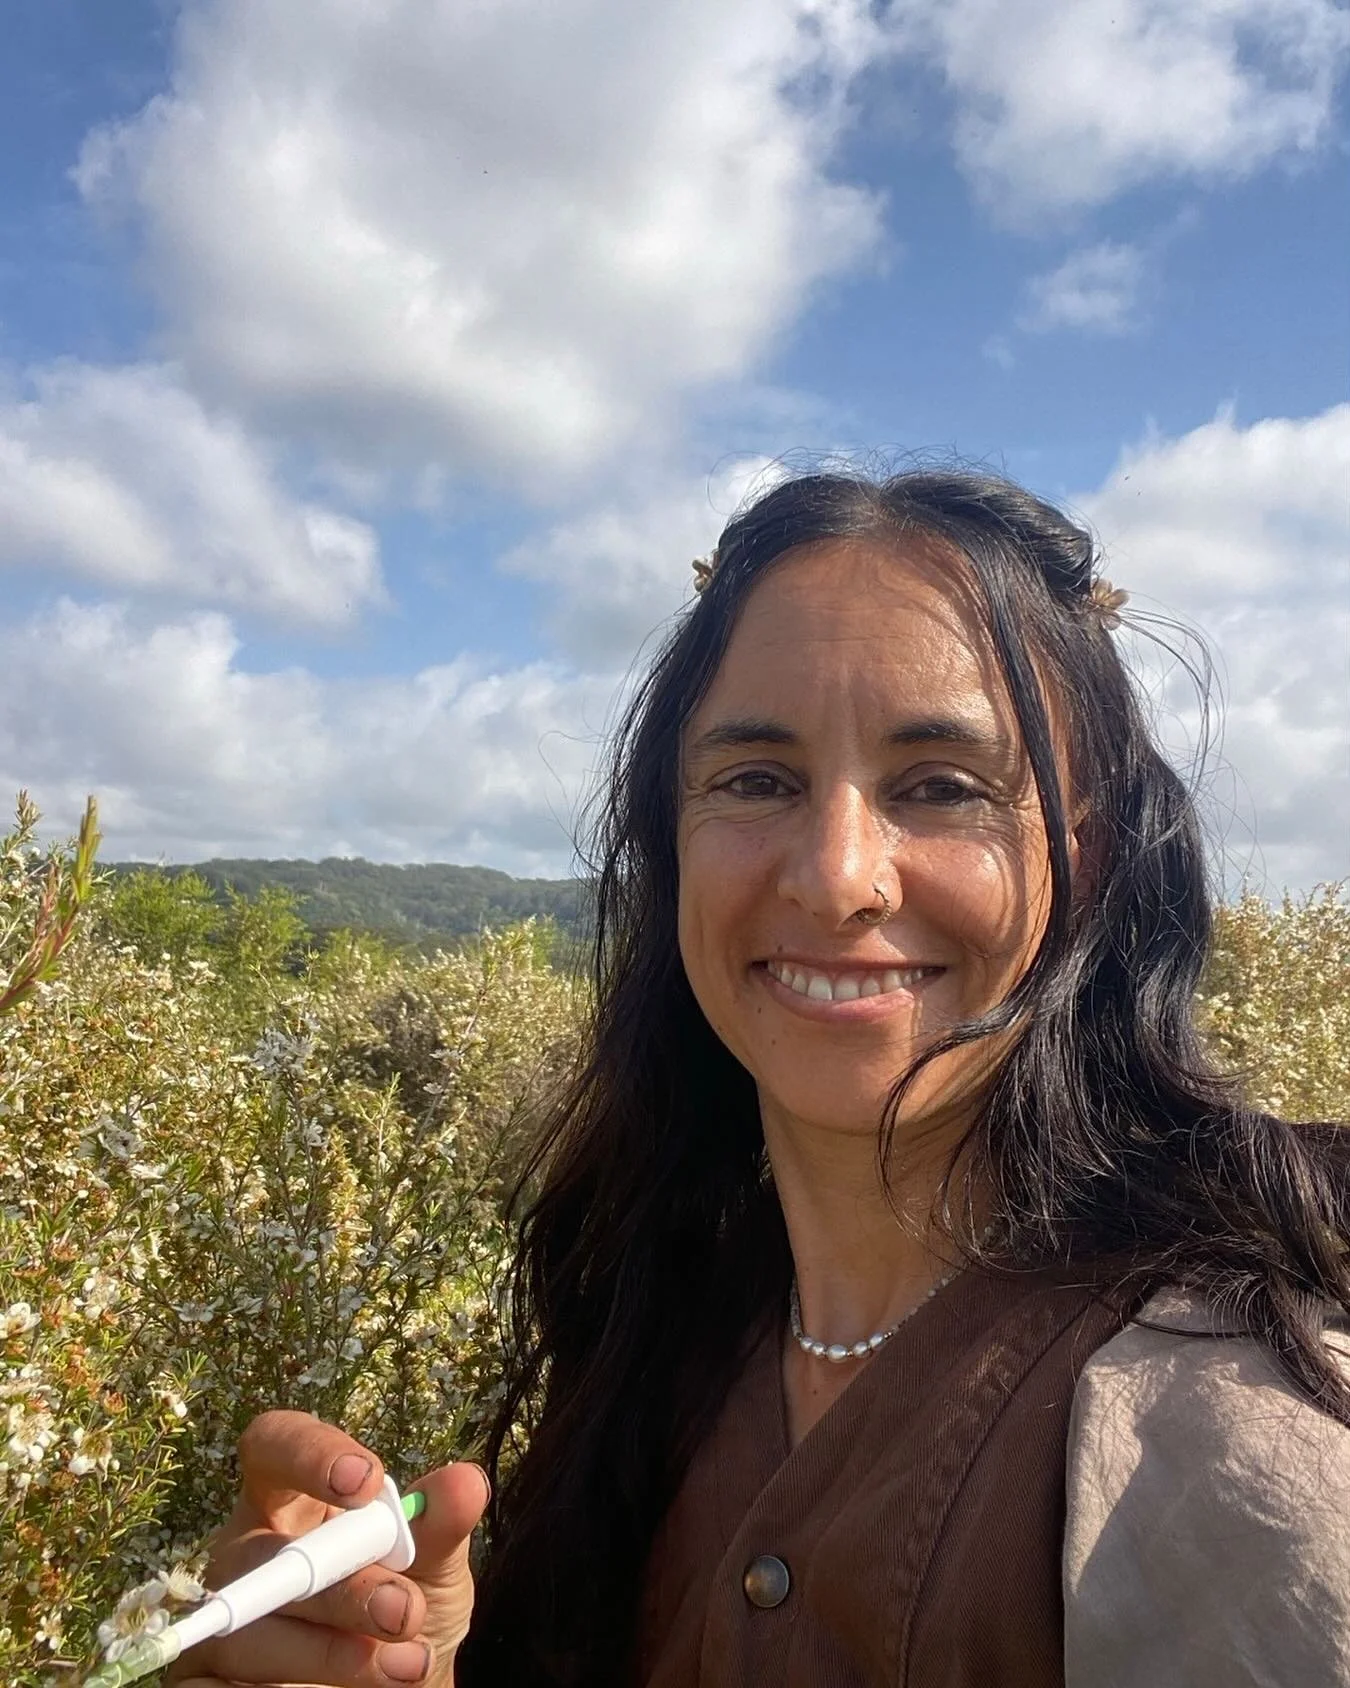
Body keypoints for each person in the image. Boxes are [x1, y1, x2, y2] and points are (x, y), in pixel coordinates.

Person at [168, 468, 1350, 1688]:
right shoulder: (664, 1339)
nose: (838, 877)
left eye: (941, 784)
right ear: (671, 841)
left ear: (1082, 858)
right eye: (758, 779)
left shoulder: (1227, 1443)